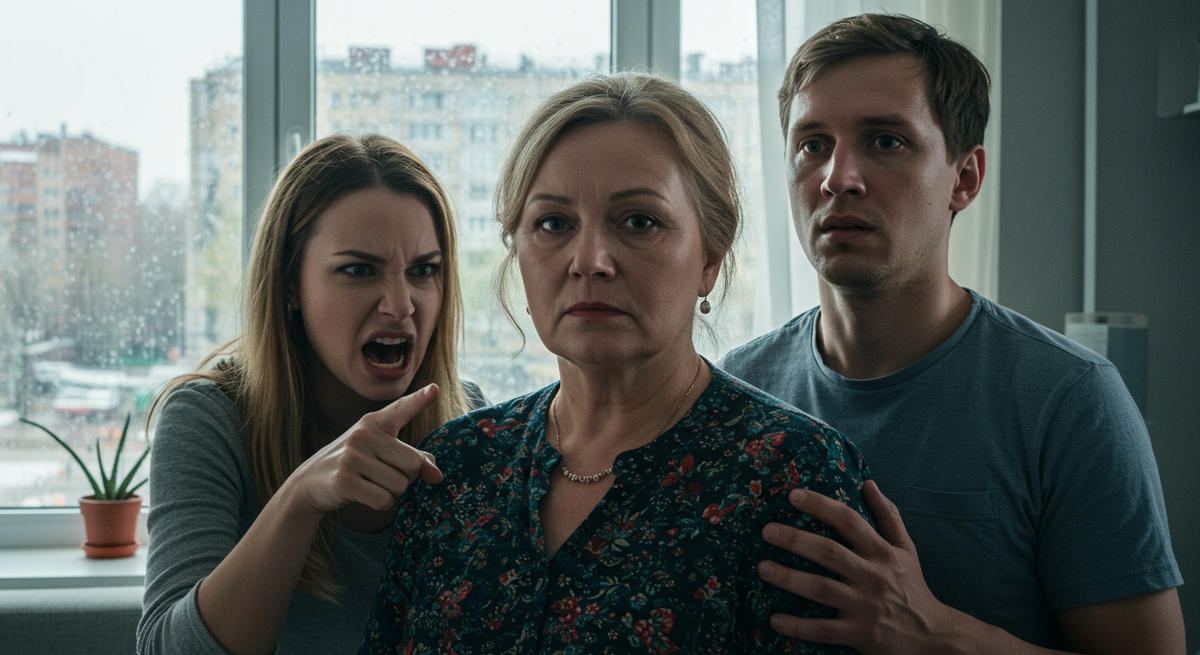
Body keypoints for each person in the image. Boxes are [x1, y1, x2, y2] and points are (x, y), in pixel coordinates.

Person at [718, 13, 1185, 654]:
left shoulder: (1069, 399)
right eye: (813, 144)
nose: (837, 178)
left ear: (963, 179)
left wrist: (935, 635)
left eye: (885, 141)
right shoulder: (737, 388)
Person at [359, 73, 871, 653]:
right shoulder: (454, 467)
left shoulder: (794, 475)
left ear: (710, 258)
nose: (590, 261)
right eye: (553, 224)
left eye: (639, 222)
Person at [137, 134, 487, 655]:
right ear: (288, 285)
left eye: (423, 271)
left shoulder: (466, 417)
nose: (400, 305)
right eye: (358, 270)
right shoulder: (208, 419)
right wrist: (301, 499)